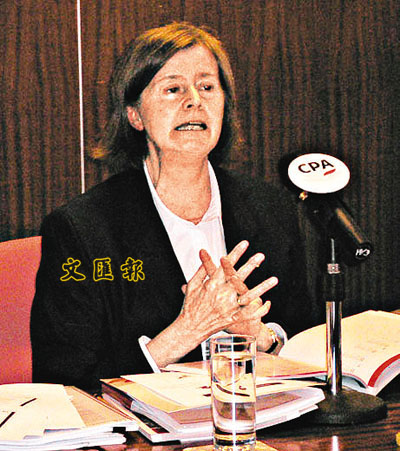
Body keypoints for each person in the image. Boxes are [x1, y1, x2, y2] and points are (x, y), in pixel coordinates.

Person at [30, 22, 309, 394]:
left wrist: (258, 337)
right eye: (173, 89)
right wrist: (186, 331)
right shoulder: (81, 231)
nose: (194, 101)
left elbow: (307, 338)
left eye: (207, 87)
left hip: (258, 418)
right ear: (135, 115)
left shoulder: (271, 208)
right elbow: (64, 383)